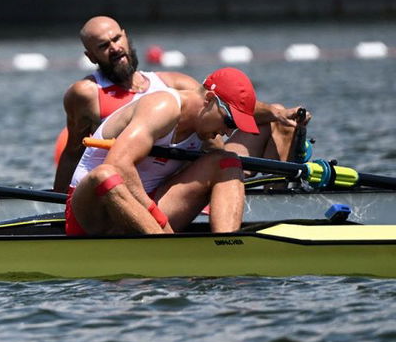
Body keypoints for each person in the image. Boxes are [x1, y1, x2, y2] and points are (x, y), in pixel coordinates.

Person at [52, 15, 309, 192]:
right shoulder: (85, 94)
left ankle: (276, 198)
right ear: (90, 55)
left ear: (126, 36)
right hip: (158, 184)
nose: (115, 48)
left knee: (282, 122)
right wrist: (60, 204)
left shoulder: (173, 82)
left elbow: (225, 104)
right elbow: (73, 152)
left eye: (117, 39)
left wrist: (276, 112)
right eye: (103, 46)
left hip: (206, 161)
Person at [66, 67, 259, 236]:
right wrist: (158, 219)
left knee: (228, 162)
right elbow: (118, 165)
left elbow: (226, 180)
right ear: (209, 99)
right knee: (105, 174)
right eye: (229, 122)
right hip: (95, 213)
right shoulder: (162, 108)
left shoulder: (207, 130)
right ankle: (166, 247)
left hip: (146, 209)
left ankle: (228, 248)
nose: (227, 132)